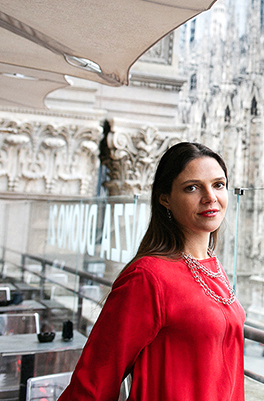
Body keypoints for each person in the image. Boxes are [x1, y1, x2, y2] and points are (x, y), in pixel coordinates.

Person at [58, 142, 244, 400]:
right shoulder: (148, 276)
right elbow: (94, 381)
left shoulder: (213, 267)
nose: (210, 197)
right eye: (192, 187)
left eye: (218, 184)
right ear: (165, 198)